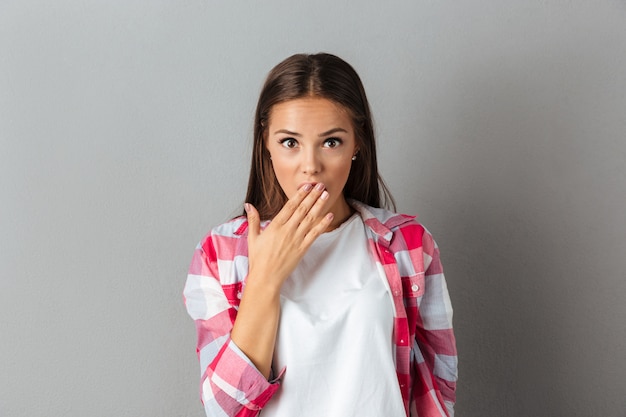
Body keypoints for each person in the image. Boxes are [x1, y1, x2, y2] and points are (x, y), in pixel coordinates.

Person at [183, 53, 457, 417]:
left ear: (356, 143)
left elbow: (438, 388)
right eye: (289, 142)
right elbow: (223, 409)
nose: (310, 166)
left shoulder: (409, 245)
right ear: (265, 142)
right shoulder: (221, 254)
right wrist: (265, 278)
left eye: (331, 142)